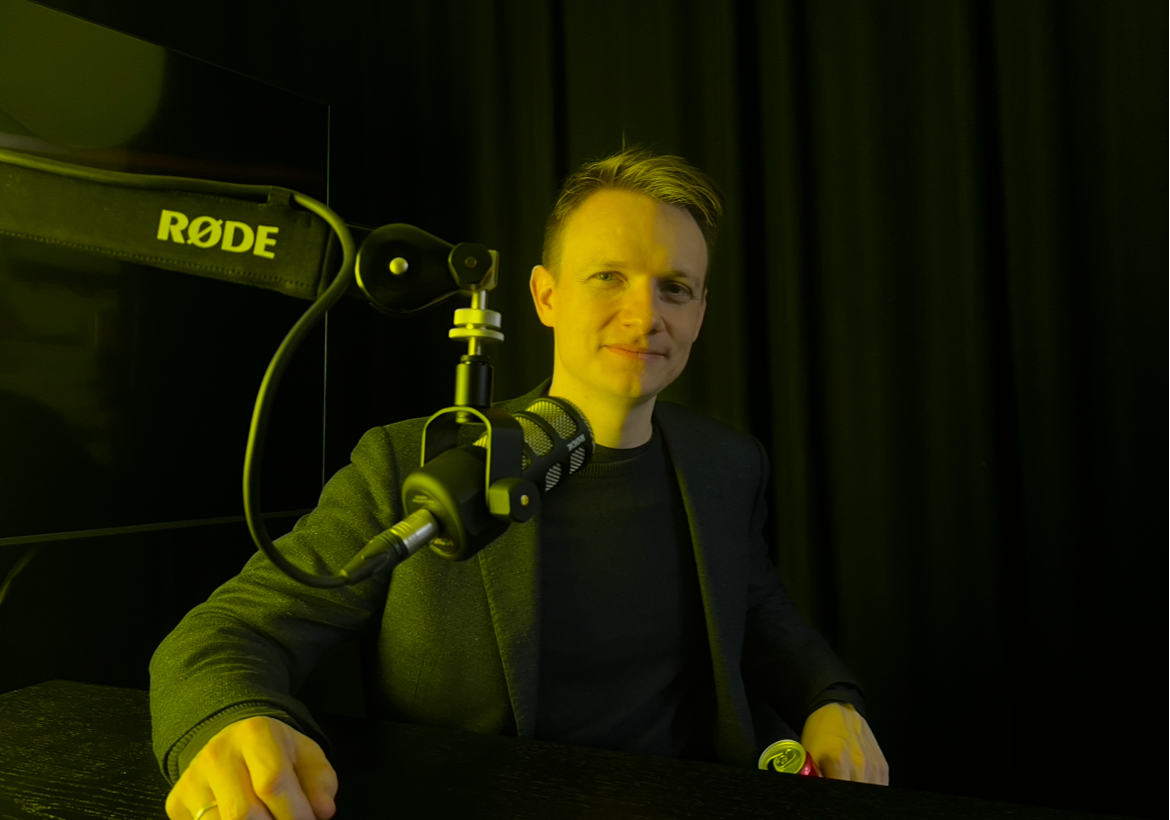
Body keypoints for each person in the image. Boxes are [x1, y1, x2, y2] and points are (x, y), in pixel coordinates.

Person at [153, 147, 889, 820]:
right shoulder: (410, 463)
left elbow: (759, 609)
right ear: (545, 296)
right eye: (609, 277)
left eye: (674, 288)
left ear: (699, 314)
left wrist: (829, 700)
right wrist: (230, 719)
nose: (645, 315)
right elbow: (227, 635)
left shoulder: (729, 463)